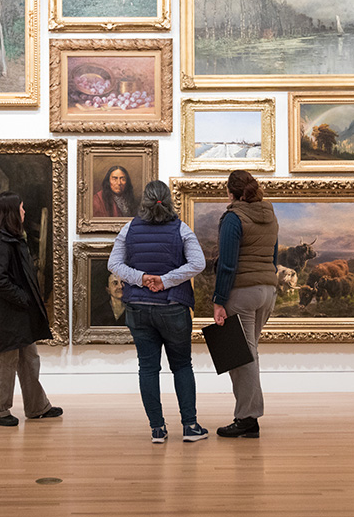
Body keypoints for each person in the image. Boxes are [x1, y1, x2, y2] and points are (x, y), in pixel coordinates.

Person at [108, 180, 208, 443]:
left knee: (148, 368)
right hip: (173, 307)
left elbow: (113, 264)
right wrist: (166, 280)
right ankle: (190, 427)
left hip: (138, 309)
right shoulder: (181, 229)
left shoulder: (128, 228)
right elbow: (198, 263)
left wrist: (141, 278)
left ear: (144, 201)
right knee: (182, 366)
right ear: (169, 201)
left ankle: (157, 429)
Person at [0, 191, 62, 426]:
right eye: (21, 208)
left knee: (29, 358)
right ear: (11, 213)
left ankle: (37, 406)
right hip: (8, 312)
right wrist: (23, 297)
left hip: (18, 311)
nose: (24, 212)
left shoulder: (10, 237)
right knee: (5, 360)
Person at [211, 170, 279, 439]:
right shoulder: (269, 213)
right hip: (267, 291)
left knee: (241, 358)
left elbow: (227, 264)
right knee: (248, 354)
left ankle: (247, 419)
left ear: (231, 192)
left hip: (242, 292)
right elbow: (273, 255)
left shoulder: (233, 217)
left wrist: (218, 301)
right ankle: (247, 416)